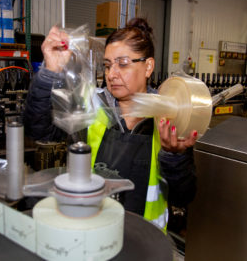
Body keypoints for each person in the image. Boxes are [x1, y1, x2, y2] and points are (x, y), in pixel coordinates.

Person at [24, 18, 197, 230]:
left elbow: (184, 194)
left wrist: (174, 157)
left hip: (146, 242)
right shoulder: (91, 105)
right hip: (93, 231)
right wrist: (50, 71)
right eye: (107, 65)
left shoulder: (168, 117)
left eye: (123, 64)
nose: (111, 75)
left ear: (148, 66)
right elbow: (38, 129)